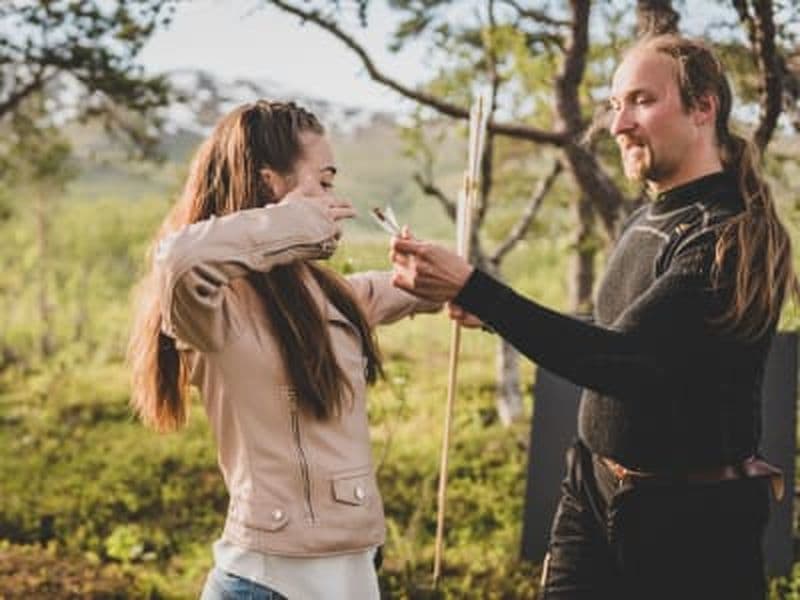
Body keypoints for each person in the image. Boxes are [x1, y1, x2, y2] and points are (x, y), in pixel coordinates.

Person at [390, 34, 798, 600]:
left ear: (704, 106)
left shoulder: (725, 235)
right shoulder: (650, 214)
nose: (617, 125)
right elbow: (614, 325)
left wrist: (476, 289)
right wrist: (490, 313)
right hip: (593, 490)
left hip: (691, 528)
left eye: (640, 101)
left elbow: (625, 359)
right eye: (614, 105)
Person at [127, 100, 438, 600]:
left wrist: (453, 285)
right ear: (272, 185)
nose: (337, 203)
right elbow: (180, 260)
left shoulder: (325, 294)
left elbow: (401, 288)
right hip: (264, 582)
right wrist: (295, 225)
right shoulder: (211, 307)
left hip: (353, 576)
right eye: (325, 182)